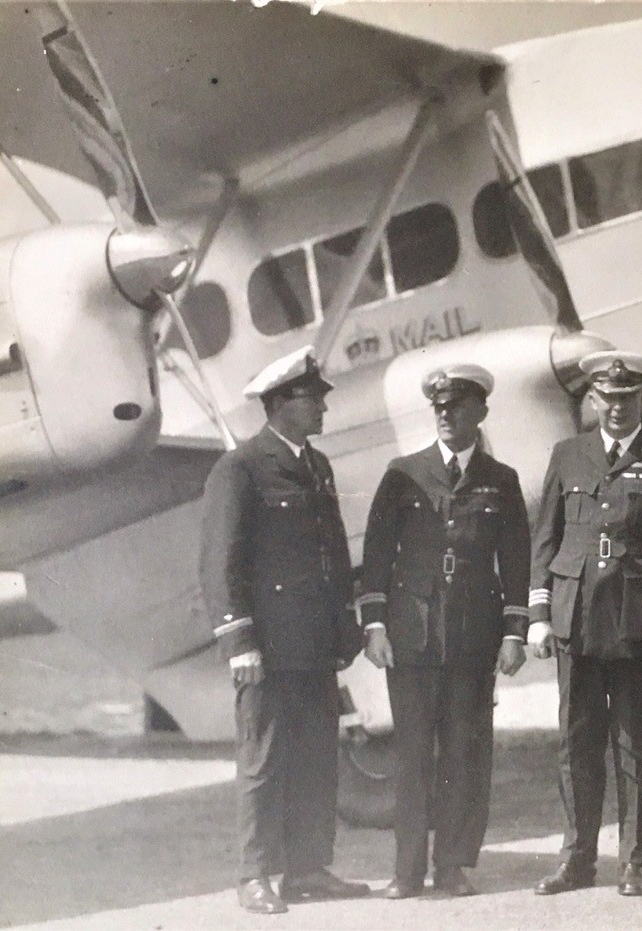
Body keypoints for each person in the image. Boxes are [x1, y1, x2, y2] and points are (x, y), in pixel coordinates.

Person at [528, 351, 642, 897]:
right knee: (576, 745)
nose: (616, 409)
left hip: (641, 627)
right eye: (607, 398)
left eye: (627, 399)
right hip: (576, 623)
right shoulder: (568, 455)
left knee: (640, 747)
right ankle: (577, 857)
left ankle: (636, 861)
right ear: (592, 400)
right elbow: (547, 539)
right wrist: (539, 613)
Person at [199, 346, 368, 915]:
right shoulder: (240, 468)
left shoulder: (316, 466)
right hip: (266, 649)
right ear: (279, 404)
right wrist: (238, 641)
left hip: (315, 644)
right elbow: (221, 562)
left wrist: (347, 629)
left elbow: (333, 557)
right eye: (311, 396)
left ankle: (307, 869)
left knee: (318, 757)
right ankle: (255, 875)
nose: (323, 404)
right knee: (264, 760)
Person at [357, 364, 531, 899]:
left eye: (456, 406)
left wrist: (513, 632)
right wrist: (376, 625)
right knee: (413, 756)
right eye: (439, 407)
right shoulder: (403, 473)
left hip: (473, 640)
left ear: (480, 411)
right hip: (412, 639)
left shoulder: (501, 481)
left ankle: (452, 864)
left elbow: (517, 559)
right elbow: (377, 554)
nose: (446, 415)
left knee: (464, 754)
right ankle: (406, 872)